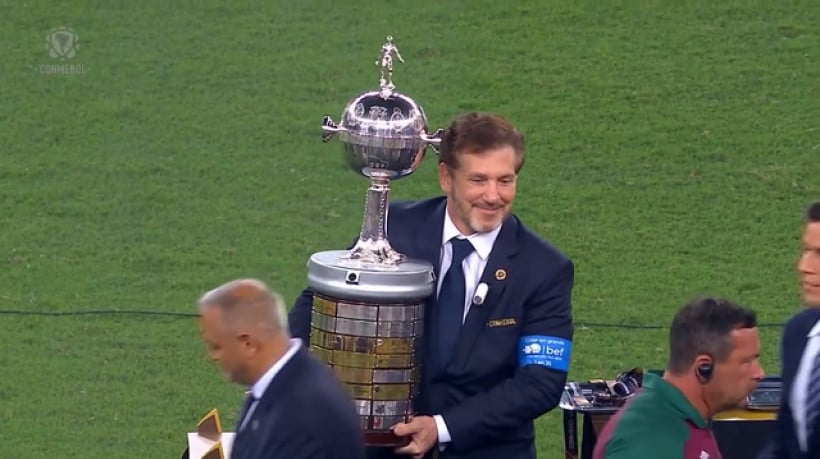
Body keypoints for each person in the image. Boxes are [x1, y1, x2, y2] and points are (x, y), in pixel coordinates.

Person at [289, 112, 575, 459]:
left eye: (505, 180)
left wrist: (441, 427)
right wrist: (281, 369)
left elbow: (540, 384)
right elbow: (323, 304)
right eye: (478, 180)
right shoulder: (393, 230)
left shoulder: (544, 268)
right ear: (446, 178)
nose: (493, 195)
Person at [197, 278, 366, 459]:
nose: (211, 357)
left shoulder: (304, 417)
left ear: (248, 344)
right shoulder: (275, 386)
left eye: (216, 347)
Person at [593, 297, 765, 459]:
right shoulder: (646, 442)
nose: (760, 373)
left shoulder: (680, 417)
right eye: (747, 362)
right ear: (703, 368)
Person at [764, 201, 820, 458]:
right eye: (806, 250)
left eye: (819, 254)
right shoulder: (797, 334)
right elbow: (784, 445)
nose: (804, 266)